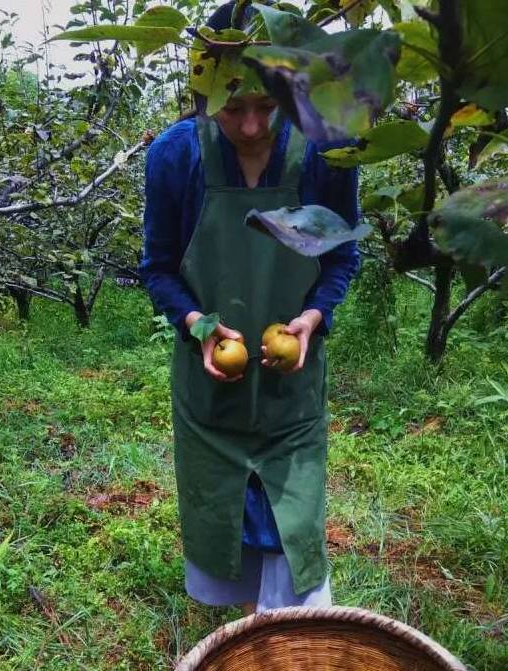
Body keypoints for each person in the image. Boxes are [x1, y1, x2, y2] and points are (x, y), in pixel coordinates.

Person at [140, 3, 360, 615]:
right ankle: (243, 642)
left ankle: (285, 642)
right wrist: (199, 325)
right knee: (225, 524)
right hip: (211, 395)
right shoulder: (175, 157)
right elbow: (158, 268)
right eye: (233, 107)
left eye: (268, 106)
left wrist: (314, 318)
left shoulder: (324, 153)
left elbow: (341, 258)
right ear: (204, 90)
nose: (254, 125)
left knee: (293, 527)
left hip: (292, 395)